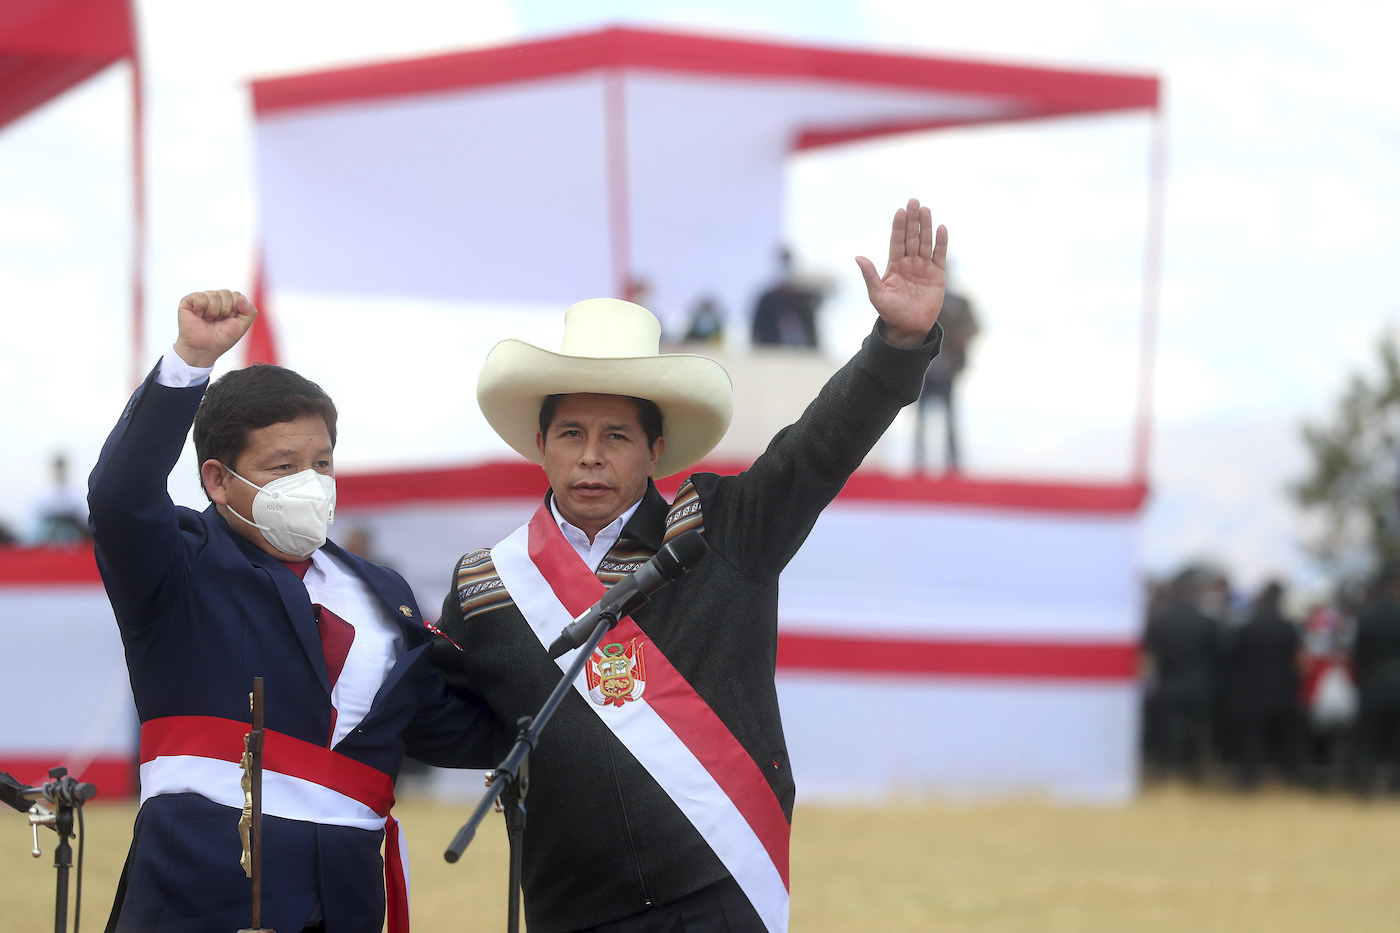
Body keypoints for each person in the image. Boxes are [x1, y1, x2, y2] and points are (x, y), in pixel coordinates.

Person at [430, 199, 948, 933]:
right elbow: (435, 720)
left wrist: (898, 343)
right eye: (571, 433)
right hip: (569, 910)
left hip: (720, 895)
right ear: (541, 444)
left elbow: (817, 448)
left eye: (616, 436)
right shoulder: (485, 585)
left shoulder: (725, 529)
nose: (590, 456)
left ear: (655, 450)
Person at [88, 289, 498, 933]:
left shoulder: (382, 589)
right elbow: (120, 497)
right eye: (283, 467)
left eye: (321, 463)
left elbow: (444, 724)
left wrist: (564, 700)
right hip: (201, 893)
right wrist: (191, 362)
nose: (310, 482)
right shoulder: (179, 564)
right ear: (218, 480)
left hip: (346, 897)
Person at [1219, 580, 1304, 788]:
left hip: (1251, 694)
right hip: (1283, 693)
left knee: (1251, 742)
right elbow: (1299, 663)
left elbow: (1233, 662)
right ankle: (1287, 782)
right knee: (1285, 743)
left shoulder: (1247, 628)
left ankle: (1249, 783)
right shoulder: (1289, 629)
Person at [913, 286, 978, 474]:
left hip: (947, 371)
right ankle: (919, 464)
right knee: (921, 420)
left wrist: (955, 333)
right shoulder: (921, 300)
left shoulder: (959, 303)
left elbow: (973, 328)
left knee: (950, 420)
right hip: (925, 372)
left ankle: (952, 465)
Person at [1351, 562, 1400, 794]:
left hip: (1371, 682)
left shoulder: (1366, 616)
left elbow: (1357, 655)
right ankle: (1394, 787)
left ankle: (1364, 787)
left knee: (1368, 739)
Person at [749, 247, 824, 348]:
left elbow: (813, 336)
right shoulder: (767, 301)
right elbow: (756, 333)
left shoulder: (802, 302)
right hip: (772, 351)